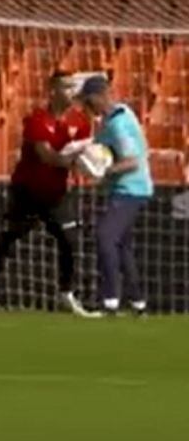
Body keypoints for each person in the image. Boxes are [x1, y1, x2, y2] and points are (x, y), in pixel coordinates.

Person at [0, 71, 94, 315]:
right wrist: (72, 162)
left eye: (73, 87)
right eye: (66, 87)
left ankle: (66, 294)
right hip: (27, 191)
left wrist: (92, 163)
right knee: (8, 240)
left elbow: (83, 154)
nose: (71, 92)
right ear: (53, 91)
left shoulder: (81, 122)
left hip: (57, 194)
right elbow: (46, 155)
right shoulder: (36, 120)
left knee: (69, 240)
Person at [78, 75, 153, 316]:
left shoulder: (118, 124)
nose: (88, 107)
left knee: (105, 236)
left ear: (101, 96)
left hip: (131, 189)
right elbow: (98, 148)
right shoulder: (115, 117)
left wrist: (104, 170)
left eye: (89, 101)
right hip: (128, 189)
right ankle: (138, 302)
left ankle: (110, 300)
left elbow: (131, 162)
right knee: (122, 246)